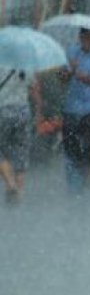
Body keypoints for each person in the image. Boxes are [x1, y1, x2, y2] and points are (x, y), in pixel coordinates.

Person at [59, 28, 90, 195]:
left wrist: (85, 77)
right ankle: (76, 180)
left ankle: (89, 181)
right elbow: (61, 78)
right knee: (71, 146)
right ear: (80, 37)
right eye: (86, 37)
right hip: (71, 108)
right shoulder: (71, 52)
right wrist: (68, 70)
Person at [0, 68, 42, 205]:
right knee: (21, 152)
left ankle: (10, 184)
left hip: (2, 111)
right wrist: (38, 114)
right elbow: (35, 90)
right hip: (23, 112)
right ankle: (19, 194)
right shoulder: (26, 63)